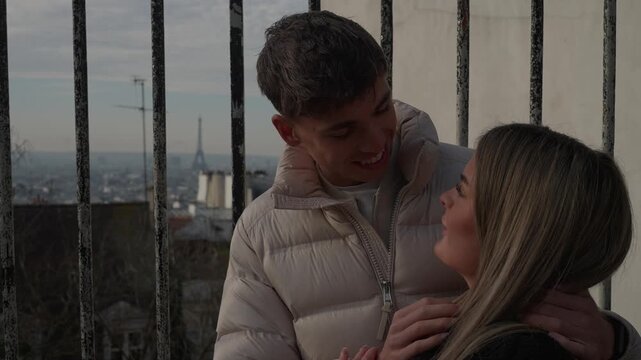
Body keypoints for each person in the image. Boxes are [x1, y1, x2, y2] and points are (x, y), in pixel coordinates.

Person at [214, 10, 640, 360]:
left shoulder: (487, 179)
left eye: (382, 109)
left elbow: (560, 306)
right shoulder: (261, 233)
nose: (376, 141)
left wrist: (615, 343)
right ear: (289, 132)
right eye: (342, 132)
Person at [341, 124, 640, 360]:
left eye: (461, 189)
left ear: (512, 226)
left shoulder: (520, 353)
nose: (444, 199)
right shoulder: (478, 336)